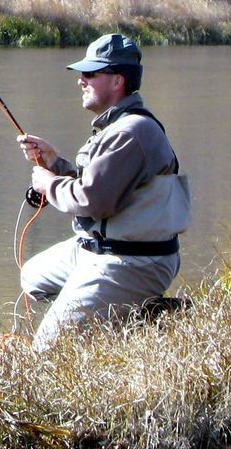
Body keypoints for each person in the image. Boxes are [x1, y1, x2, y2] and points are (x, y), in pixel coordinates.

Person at [15, 33, 190, 350]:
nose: (81, 80)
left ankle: (139, 317)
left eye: (91, 73)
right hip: (98, 248)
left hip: (132, 261)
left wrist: (47, 183)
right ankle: (111, 315)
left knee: (46, 350)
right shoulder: (116, 127)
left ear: (117, 81)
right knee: (32, 277)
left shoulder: (131, 132)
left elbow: (93, 201)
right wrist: (55, 164)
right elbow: (104, 187)